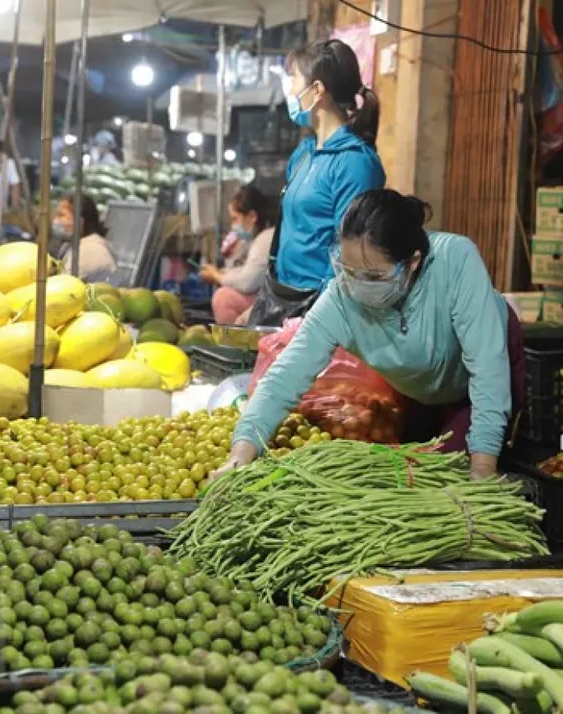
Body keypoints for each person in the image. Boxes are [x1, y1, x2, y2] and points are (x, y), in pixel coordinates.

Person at [220, 189, 526, 480]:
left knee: (451, 471)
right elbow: (287, 373)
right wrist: (242, 449)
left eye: (374, 276)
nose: (357, 284)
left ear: (413, 262)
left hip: (479, 380)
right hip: (419, 386)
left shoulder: (455, 261)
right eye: (348, 269)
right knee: (407, 469)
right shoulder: (341, 296)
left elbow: (487, 369)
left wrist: (484, 464)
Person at [247, 38, 386, 326]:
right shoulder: (304, 154)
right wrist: (262, 303)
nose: (289, 89)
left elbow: (350, 254)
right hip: (281, 298)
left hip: (315, 312)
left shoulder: (355, 163)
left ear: (317, 90)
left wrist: (314, 325)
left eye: (293, 78)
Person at [199, 186, 275, 325]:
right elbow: (248, 270)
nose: (233, 225)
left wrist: (216, 276)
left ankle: (233, 343)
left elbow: (247, 282)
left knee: (223, 298)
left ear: (252, 216)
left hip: (272, 303)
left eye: (235, 219)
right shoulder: (257, 237)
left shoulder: (265, 239)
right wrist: (224, 272)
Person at [52, 194, 116, 283]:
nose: (55, 220)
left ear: (80, 220)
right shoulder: (75, 246)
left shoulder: (89, 251)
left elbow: (65, 287)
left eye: (61, 215)